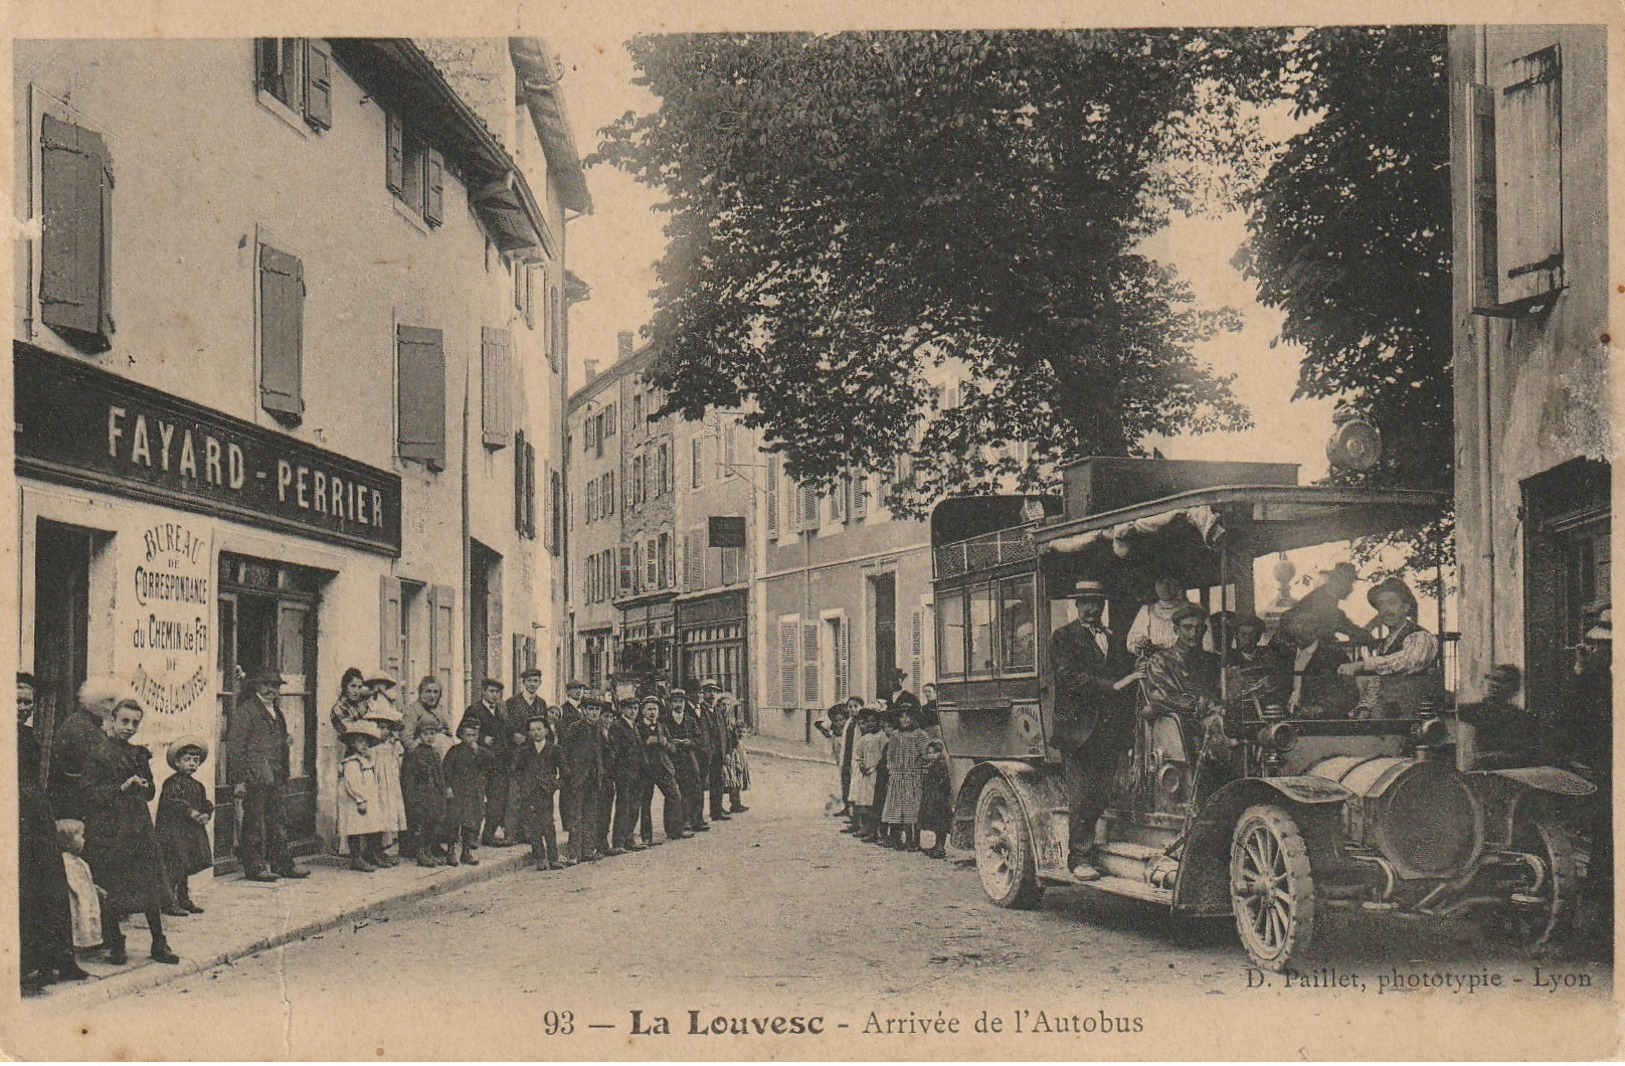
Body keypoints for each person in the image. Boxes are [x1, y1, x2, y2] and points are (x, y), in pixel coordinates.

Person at [1050, 578, 1138, 880]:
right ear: (1076, 605)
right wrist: (1112, 686)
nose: (1092, 608)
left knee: (1102, 793)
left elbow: (1125, 673)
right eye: (1086, 602)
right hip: (1078, 732)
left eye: (1097, 603)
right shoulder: (1062, 637)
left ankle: (1094, 850)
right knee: (1083, 794)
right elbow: (1069, 678)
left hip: (1108, 730)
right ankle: (1079, 859)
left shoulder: (1113, 638)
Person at [82, 700, 178, 966]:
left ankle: (159, 941)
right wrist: (121, 788)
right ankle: (115, 941)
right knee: (112, 886)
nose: (130, 727)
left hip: (138, 828)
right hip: (109, 829)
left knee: (150, 884)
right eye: (125, 721)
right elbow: (89, 794)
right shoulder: (96, 752)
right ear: (113, 719)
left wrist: (144, 785)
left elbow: (150, 794)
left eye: (135, 723)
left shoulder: (138, 754)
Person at [18, 673, 85, 992]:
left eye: (27, 702)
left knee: (49, 885)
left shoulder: (30, 738)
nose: (22, 708)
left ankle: (55, 959)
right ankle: (28, 965)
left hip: (36, 816)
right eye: (16, 701)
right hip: (16, 817)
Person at [226, 671, 309, 882]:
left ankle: (282, 864)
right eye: (267, 685)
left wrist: (285, 743)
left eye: (276, 686)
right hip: (255, 775)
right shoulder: (246, 711)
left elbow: (275, 739)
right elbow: (235, 747)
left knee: (278, 821)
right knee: (254, 823)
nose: (272, 690)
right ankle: (254, 867)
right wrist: (239, 779)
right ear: (256, 686)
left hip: (275, 775)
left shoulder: (276, 711)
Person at [1141, 603, 1229, 797]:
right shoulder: (1161, 661)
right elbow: (1161, 694)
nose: (1193, 633)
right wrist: (1199, 704)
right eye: (1187, 627)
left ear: (1205, 631)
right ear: (1176, 630)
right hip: (1181, 723)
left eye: (1198, 628)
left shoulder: (1214, 661)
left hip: (1211, 721)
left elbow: (1223, 693)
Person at [1338, 577, 1440, 718]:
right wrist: (1364, 708)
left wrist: (1363, 664)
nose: (1386, 610)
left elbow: (1407, 660)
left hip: (1415, 719)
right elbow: (1377, 685)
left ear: (1405, 607)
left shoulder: (1421, 637)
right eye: (1381, 605)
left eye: (1392, 603)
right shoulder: (1385, 645)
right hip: (1389, 716)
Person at [1278, 563, 1368, 717]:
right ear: (1339, 581)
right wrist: (1365, 637)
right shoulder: (1324, 599)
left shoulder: (1325, 597)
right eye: (1349, 583)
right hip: (1312, 657)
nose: (1351, 588)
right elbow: (1342, 623)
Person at [50, 676, 123, 823]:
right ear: (94, 702)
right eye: (109, 701)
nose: (114, 706)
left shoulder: (84, 721)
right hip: (76, 800)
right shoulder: (83, 728)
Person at [156, 736, 213, 914]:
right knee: (174, 867)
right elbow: (172, 802)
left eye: (196, 761)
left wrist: (206, 813)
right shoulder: (172, 783)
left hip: (189, 833)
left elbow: (205, 803)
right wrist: (190, 811)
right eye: (187, 760)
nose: (192, 764)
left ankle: (184, 899)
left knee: (185, 867)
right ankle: (168, 903)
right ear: (177, 762)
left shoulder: (197, 785)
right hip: (173, 833)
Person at [514, 715, 571, 872]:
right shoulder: (525, 751)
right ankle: (540, 858)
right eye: (532, 730)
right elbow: (517, 771)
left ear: (546, 730)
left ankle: (553, 858)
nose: (536, 733)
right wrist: (523, 784)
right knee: (533, 825)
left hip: (546, 792)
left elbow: (565, 771)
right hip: (530, 791)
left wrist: (556, 784)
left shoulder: (554, 749)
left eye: (539, 729)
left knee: (548, 824)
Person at [1457, 665, 1542, 769]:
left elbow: (1531, 755)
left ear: (1514, 689)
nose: (1494, 685)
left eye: (1501, 681)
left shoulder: (1523, 719)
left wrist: (1494, 757)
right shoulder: (1470, 710)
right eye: (1490, 678)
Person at [462, 678, 514, 846]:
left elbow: (507, 732)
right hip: (479, 762)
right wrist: (482, 739)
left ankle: (489, 834)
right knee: (475, 799)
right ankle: (470, 837)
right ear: (483, 692)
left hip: (499, 763)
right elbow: (460, 732)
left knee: (497, 801)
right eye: (491, 691)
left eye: (497, 692)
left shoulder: (502, 710)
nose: (494, 695)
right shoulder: (474, 710)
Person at [636, 695, 690, 844]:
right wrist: (646, 743)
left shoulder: (662, 727)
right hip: (646, 770)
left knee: (674, 796)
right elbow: (634, 749)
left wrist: (665, 743)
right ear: (643, 712)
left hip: (663, 768)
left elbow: (673, 748)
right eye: (649, 709)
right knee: (645, 802)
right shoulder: (638, 727)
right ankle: (647, 836)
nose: (652, 712)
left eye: (655, 709)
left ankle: (674, 830)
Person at [561, 695, 608, 862]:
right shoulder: (575, 728)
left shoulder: (599, 729)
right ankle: (574, 853)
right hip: (578, 778)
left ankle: (588, 851)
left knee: (590, 816)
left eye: (597, 710)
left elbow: (603, 753)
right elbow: (564, 752)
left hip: (594, 779)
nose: (594, 713)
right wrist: (568, 774)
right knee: (576, 817)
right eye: (591, 709)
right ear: (584, 711)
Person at [336, 720, 386, 873]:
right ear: (352, 744)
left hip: (367, 800)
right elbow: (352, 784)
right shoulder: (351, 763)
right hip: (355, 803)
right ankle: (356, 857)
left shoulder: (366, 761)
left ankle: (369, 854)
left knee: (367, 827)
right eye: (359, 741)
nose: (364, 745)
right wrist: (360, 799)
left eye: (366, 742)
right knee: (354, 829)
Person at [363, 696, 408, 867]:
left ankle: (380, 850)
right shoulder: (371, 748)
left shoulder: (390, 746)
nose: (383, 731)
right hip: (375, 786)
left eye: (386, 728)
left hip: (389, 786)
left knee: (386, 816)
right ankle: (372, 850)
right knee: (375, 817)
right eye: (380, 727)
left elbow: (396, 764)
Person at [400, 722, 451, 867]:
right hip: (420, 796)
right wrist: (411, 799)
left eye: (432, 734)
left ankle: (429, 852)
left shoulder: (434, 753)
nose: (429, 737)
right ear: (419, 736)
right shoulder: (414, 754)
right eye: (425, 734)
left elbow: (440, 775)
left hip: (433, 795)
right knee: (421, 825)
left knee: (431, 824)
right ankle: (421, 854)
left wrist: (443, 790)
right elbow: (408, 779)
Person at [881, 706, 930, 851]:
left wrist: (921, 768)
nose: (904, 720)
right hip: (898, 776)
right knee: (897, 807)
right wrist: (892, 770)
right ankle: (896, 839)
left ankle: (913, 841)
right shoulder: (896, 735)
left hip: (913, 777)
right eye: (901, 716)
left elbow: (926, 754)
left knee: (912, 809)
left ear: (914, 718)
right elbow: (890, 755)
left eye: (908, 716)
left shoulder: (921, 735)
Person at [443, 719, 490, 866]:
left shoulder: (480, 752)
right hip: (458, 792)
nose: (470, 738)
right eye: (467, 735)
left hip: (474, 791)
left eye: (474, 735)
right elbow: (445, 770)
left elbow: (491, 763)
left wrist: (478, 751)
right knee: (454, 821)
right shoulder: (454, 751)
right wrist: (448, 787)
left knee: (471, 822)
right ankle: (451, 851)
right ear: (461, 736)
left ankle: (466, 852)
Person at [665, 690, 710, 832]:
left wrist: (689, 742)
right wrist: (673, 742)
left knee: (695, 789)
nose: (679, 704)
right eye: (676, 701)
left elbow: (700, 739)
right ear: (671, 704)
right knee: (677, 792)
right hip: (672, 760)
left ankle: (696, 820)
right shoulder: (664, 720)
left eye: (681, 701)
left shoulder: (691, 720)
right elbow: (663, 739)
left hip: (690, 759)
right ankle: (681, 822)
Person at [606, 699, 646, 852]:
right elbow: (616, 752)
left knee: (634, 806)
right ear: (622, 709)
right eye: (629, 708)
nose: (633, 711)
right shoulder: (617, 727)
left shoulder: (634, 725)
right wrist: (620, 771)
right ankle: (619, 842)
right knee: (624, 807)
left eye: (636, 708)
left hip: (637, 772)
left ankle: (630, 838)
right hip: (624, 773)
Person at [696, 680, 732, 822]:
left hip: (718, 753)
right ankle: (697, 817)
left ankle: (716, 811)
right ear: (703, 694)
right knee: (701, 785)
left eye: (714, 692)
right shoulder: (700, 711)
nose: (712, 694)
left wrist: (727, 752)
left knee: (718, 782)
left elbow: (725, 734)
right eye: (709, 691)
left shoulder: (718, 711)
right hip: (705, 754)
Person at [1128, 574, 1188, 656]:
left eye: (1169, 582)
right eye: (1161, 582)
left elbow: (1207, 646)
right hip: (1156, 663)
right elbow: (1132, 642)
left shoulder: (1191, 609)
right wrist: (1141, 644)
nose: (1165, 586)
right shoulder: (1147, 610)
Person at [400, 676, 455, 760]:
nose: (432, 696)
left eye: (435, 692)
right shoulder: (413, 710)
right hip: (421, 756)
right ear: (421, 693)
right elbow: (407, 740)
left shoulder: (440, 710)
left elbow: (449, 735)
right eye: (428, 692)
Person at [850, 710, 884, 841]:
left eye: (874, 721)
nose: (871, 724)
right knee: (865, 803)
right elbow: (858, 754)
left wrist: (876, 767)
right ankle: (865, 828)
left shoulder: (882, 737)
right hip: (867, 775)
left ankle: (877, 831)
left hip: (878, 774)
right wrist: (861, 764)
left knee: (876, 804)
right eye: (868, 721)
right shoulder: (865, 738)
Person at [716, 689, 751, 814]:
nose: (725, 707)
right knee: (726, 779)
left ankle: (736, 804)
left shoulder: (731, 720)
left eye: (727, 705)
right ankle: (718, 807)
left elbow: (735, 735)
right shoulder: (717, 719)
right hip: (726, 752)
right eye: (722, 705)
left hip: (734, 752)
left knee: (736, 776)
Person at [918, 738, 952, 859]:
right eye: (929, 753)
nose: (931, 756)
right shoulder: (933, 765)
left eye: (934, 753)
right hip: (934, 797)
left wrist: (938, 793)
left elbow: (944, 783)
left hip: (940, 799)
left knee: (941, 823)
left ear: (940, 753)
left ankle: (940, 848)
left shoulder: (941, 766)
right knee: (936, 823)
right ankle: (937, 845)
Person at [329, 667, 371, 737]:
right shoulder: (338, 708)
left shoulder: (363, 703)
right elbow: (352, 733)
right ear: (345, 687)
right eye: (353, 686)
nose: (356, 691)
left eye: (359, 687)